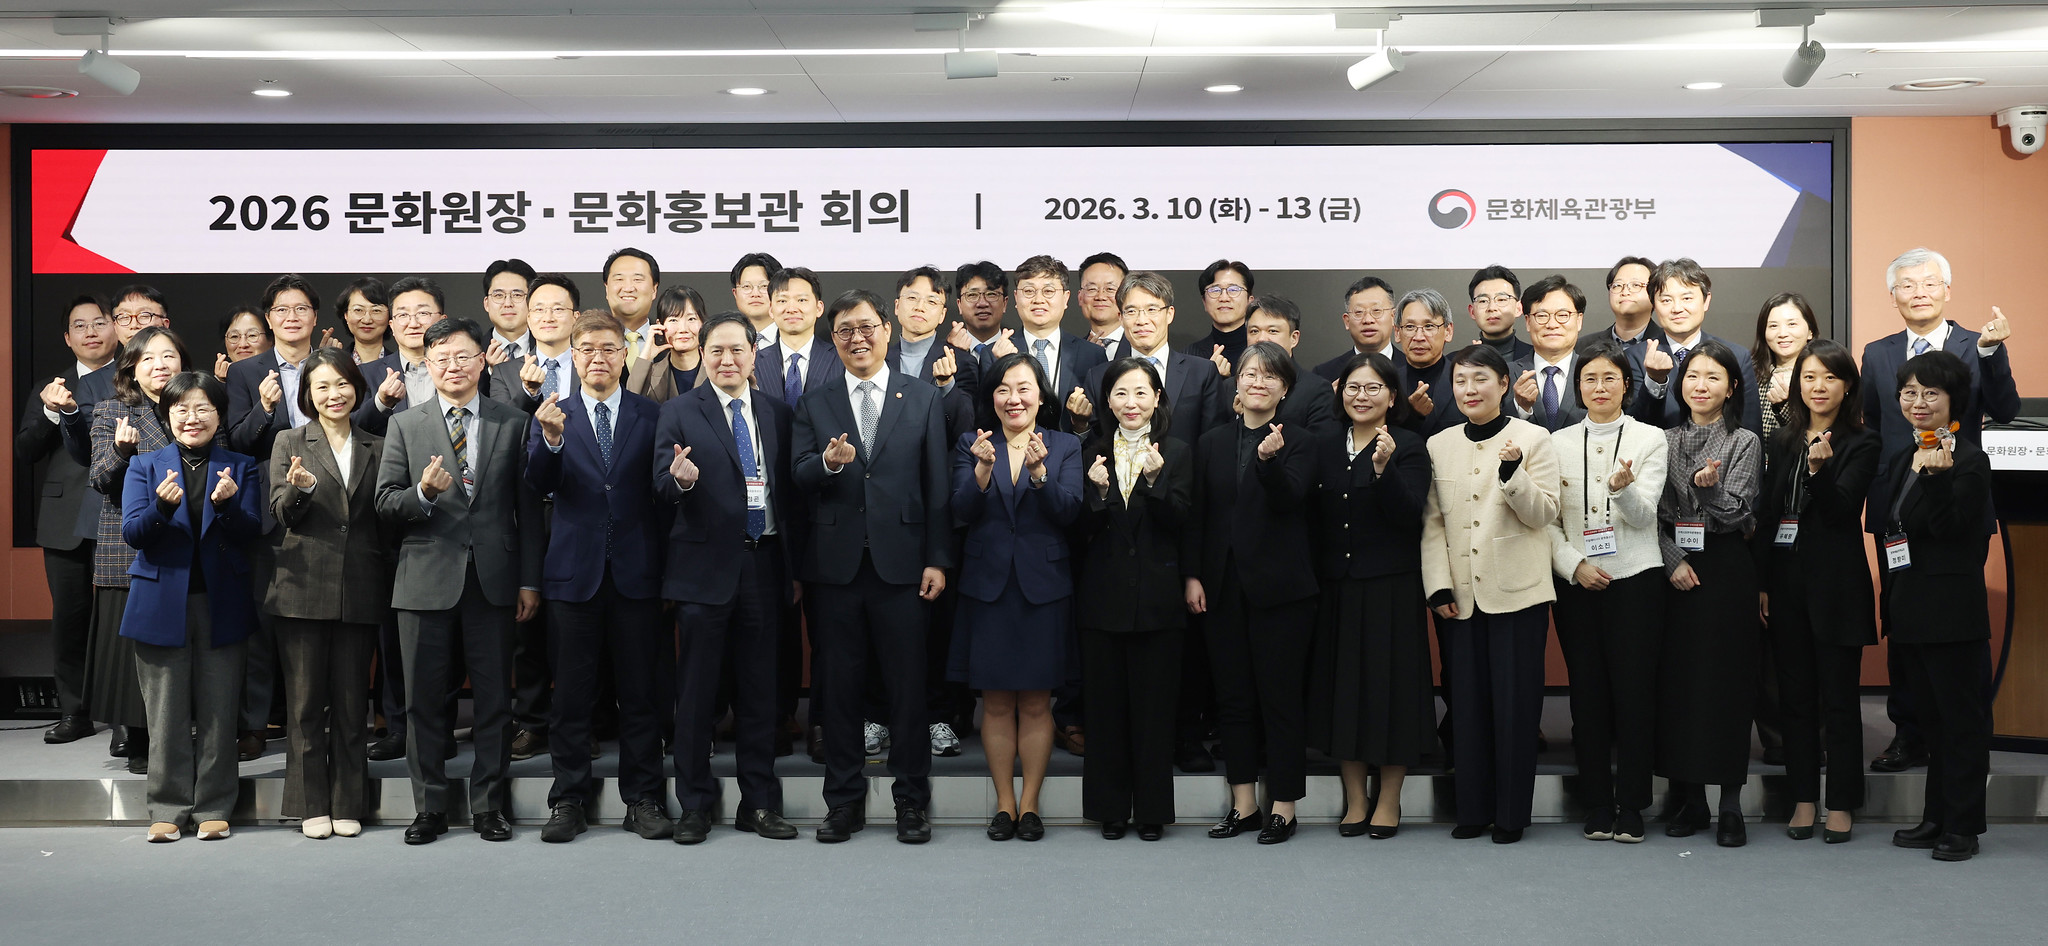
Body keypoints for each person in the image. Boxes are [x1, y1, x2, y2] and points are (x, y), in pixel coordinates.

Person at [792, 289, 954, 844]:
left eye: (865, 327)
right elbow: (799, 475)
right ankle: (843, 802)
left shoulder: (923, 397)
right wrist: (827, 465)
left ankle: (912, 800)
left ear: (887, 330)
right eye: (844, 331)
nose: (856, 339)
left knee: (908, 688)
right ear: (832, 339)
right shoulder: (815, 400)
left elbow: (937, 487)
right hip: (835, 568)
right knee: (838, 690)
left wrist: (937, 558)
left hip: (905, 566)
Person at [375, 317, 544, 845]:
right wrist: (422, 494)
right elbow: (385, 503)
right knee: (424, 701)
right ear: (428, 364)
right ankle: (430, 808)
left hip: (494, 581)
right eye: (442, 357)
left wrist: (530, 581)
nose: (453, 366)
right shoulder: (406, 423)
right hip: (424, 580)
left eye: (464, 356)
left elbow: (529, 512)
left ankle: (490, 805)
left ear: (482, 360)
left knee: (495, 701)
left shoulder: (513, 421)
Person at [1858, 247, 2019, 774]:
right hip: (1897, 510)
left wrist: (1994, 355)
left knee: (1952, 624)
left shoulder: (1978, 344)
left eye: (1929, 283)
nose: (1919, 292)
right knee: (1901, 621)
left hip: (1957, 509)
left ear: (1947, 290)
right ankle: (1908, 733)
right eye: (1907, 285)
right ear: (1893, 296)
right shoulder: (1878, 353)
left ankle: (1957, 732)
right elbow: (1875, 431)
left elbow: (2006, 409)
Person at [527, 311, 672, 844]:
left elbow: (662, 496)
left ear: (624, 354)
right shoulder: (551, 412)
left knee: (641, 695)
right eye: (586, 349)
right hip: (574, 576)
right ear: (573, 353)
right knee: (572, 698)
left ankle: (645, 799)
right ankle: (568, 799)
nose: (598, 359)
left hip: (637, 574)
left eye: (609, 349)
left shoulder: (651, 414)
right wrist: (552, 441)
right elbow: (538, 482)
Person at [657, 312, 801, 844]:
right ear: (704, 352)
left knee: (760, 693)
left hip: (763, 565)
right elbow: (659, 484)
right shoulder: (677, 411)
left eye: (737, 350)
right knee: (695, 694)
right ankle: (695, 804)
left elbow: (790, 497)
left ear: (753, 351)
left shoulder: (778, 412)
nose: (726, 360)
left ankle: (758, 803)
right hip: (703, 572)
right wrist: (680, 481)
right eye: (715, 351)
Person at [1421, 344, 1561, 844]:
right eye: (1460, 381)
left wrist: (1512, 474)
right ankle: (1472, 810)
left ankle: (1510, 816)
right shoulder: (1438, 443)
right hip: (1459, 594)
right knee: (1468, 707)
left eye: (1480, 379)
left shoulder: (1534, 437)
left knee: (1515, 707)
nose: (1469, 390)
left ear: (1504, 385)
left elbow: (1545, 513)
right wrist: (1437, 584)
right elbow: (1433, 524)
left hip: (1517, 594)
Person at [1186, 341, 1317, 844]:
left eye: (1269, 376)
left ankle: (1283, 805)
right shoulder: (1212, 441)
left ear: (1284, 389)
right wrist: (1194, 575)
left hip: (1282, 592)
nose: (1257, 382)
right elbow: (1199, 516)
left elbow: (1290, 499)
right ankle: (1242, 804)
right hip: (1221, 587)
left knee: (1279, 698)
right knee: (1233, 699)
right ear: (1235, 384)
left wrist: (1268, 461)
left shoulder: (1302, 441)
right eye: (1249, 374)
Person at [122, 371, 262, 842]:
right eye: (181, 409)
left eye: (203, 408)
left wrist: (227, 506)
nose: (192, 417)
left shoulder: (241, 466)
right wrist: (160, 510)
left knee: (221, 711)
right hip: (160, 603)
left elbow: (251, 533)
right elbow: (134, 535)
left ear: (219, 414)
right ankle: (167, 806)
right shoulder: (144, 466)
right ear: (167, 415)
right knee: (165, 714)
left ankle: (215, 806)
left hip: (222, 601)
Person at [949, 353, 1082, 840]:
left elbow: (1070, 512)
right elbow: (959, 510)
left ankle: (1031, 805)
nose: (1014, 398)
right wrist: (981, 474)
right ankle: (1004, 803)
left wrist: (1041, 475)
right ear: (992, 398)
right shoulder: (972, 443)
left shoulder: (1064, 445)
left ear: (1041, 396)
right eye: (1003, 389)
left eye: (1023, 388)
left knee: (1037, 703)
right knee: (998, 702)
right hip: (987, 587)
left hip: (1043, 589)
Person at [1545, 339, 1668, 844]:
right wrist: (1573, 566)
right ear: (1579, 387)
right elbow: (1546, 523)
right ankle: (1597, 802)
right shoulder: (1555, 443)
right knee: (1587, 696)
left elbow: (1645, 518)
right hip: (1578, 584)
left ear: (1627, 386)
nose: (1599, 387)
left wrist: (1622, 488)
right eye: (1590, 379)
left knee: (1635, 695)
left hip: (1636, 580)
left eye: (1610, 379)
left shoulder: (1650, 439)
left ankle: (1634, 803)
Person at [1752, 339, 1875, 844]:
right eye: (1809, 377)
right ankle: (1804, 798)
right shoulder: (1781, 439)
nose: (1818, 387)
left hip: (1836, 586)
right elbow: (1767, 516)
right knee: (1795, 700)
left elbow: (1845, 512)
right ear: (1796, 384)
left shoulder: (1863, 442)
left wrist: (1820, 474)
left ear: (1846, 386)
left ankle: (1842, 801)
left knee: (1840, 702)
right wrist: (1761, 582)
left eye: (1828, 378)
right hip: (1785, 584)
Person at [1309, 352, 1433, 838]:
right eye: (1354, 388)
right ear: (1341, 393)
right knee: (1345, 693)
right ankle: (1356, 799)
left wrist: (1384, 471)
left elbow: (1409, 516)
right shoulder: (1322, 444)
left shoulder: (1408, 445)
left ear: (1392, 396)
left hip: (1391, 589)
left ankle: (1389, 799)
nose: (1362, 396)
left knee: (1391, 693)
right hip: (1336, 588)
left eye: (1373, 388)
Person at [265, 348, 386, 840]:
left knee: (353, 702)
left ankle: (347, 802)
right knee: (305, 706)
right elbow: (280, 511)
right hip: (301, 589)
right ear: (307, 395)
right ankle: (310, 803)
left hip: (361, 587)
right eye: (322, 387)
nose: (333, 395)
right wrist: (302, 489)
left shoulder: (379, 443)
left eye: (342, 385)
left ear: (356, 388)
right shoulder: (288, 440)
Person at [1879, 351, 1994, 862]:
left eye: (1931, 393)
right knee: (1930, 721)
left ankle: (1963, 826)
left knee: (1961, 723)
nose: (1918, 402)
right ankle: (1935, 817)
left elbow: (1951, 531)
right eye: (1910, 393)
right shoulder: (1905, 453)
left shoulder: (1968, 458)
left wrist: (1938, 478)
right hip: (1911, 609)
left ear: (1953, 402)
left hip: (1952, 613)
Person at [1653, 339, 1763, 848]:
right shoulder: (1662, 440)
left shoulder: (1744, 442)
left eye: (1712, 377)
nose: (1701, 385)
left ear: (1731, 386)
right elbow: (1647, 516)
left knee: (1727, 685)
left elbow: (1739, 515)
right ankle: (1690, 798)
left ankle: (1730, 803)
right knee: (1679, 686)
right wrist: (1673, 561)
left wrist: (1710, 489)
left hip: (1726, 570)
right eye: (1693, 376)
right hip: (1676, 567)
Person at [1076, 357, 1192, 840]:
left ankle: (1150, 812)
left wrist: (1155, 482)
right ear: (1107, 400)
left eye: (1142, 393)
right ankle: (1109, 810)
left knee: (1153, 712)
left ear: (1158, 399)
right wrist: (1097, 495)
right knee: (1104, 712)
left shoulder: (1179, 452)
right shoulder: (1089, 452)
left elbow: (1185, 523)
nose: (1132, 403)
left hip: (1159, 601)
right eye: (1121, 393)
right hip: (1101, 600)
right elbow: (1075, 533)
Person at [224, 273, 326, 762]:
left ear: (314, 316)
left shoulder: (331, 365)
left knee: (318, 623)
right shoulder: (245, 374)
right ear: (270, 320)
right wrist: (264, 408)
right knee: (263, 624)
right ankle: (256, 724)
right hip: (266, 512)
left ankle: (316, 718)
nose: (291, 316)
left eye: (300, 308)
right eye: (282, 309)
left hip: (328, 506)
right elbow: (236, 441)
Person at [84, 326, 193, 772]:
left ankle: (179, 732)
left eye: (168, 356)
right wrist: (120, 450)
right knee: (135, 650)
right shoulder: (113, 411)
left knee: (181, 648)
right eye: (148, 358)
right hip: (130, 547)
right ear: (132, 367)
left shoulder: (195, 406)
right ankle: (136, 734)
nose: (161, 366)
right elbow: (100, 479)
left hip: (188, 548)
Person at [887, 265, 978, 757]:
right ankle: (882, 714)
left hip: (938, 504)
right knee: (887, 617)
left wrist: (945, 390)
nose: (919, 306)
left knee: (940, 618)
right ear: (896, 307)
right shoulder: (875, 354)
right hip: (882, 504)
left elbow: (965, 430)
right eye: (910, 298)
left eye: (930, 301)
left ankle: (941, 714)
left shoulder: (960, 360)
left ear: (944, 313)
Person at [20, 294, 118, 745]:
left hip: (118, 511)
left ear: (115, 328)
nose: (92, 332)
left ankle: (126, 721)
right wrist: (48, 411)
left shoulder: (133, 377)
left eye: (100, 322)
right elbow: (26, 451)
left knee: (121, 621)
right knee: (70, 619)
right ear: (68, 337)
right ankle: (74, 712)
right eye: (81, 326)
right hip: (64, 518)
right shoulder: (50, 386)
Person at [1075, 270, 1224, 448]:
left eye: (1152, 310)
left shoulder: (1202, 373)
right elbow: (1094, 446)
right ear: (1120, 318)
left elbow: (1214, 443)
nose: (1142, 320)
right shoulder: (1098, 376)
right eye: (1131, 311)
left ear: (1170, 314)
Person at [1631, 259, 1762, 439]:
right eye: (1666, 300)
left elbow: (1751, 431)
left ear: (1706, 301)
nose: (1677, 308)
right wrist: (1655, 379)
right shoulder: (1635, 357)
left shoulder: (1737, 356)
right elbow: (1636, 429)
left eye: (1687, 298)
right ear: (1654, 304)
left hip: (1722, 464)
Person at [1008, 254, 1107, 434]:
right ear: (1016, 297)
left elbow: (1101, 425)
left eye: (1048, 291)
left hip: (1074, 456)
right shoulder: (998, 353)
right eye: (1029, 291)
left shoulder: (1092, 354)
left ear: (1066, 298)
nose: (1038, 299)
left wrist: (1080, 426)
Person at [1239, 296, 1337, 436]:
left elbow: (1319, 448)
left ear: (1294, 338)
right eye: (1254, 331)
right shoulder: (1232, 387)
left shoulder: (1316, 391)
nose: (1261, 339)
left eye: (1272, 331)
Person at [1507, 275, 1586, 432]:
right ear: (1528, 322)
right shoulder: (1505, 375)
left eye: (1563, 315)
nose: (1552, 324)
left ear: (1579, 321)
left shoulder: (1593, 374)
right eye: (1542, 316)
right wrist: (1521, 408)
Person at [756, 267, 841, 408]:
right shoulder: (753, 363)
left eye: (801, 300)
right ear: (771, 310)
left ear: (819, 308)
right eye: (782, 301)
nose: (791, 308)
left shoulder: (841, 360)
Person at [1749, 293, 1818, 450]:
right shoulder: (1750, 375)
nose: (1782, 333)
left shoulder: (1822, 377)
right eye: (1773, 326)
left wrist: (1784, 407)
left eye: (1792, 324)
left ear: (1810, 331)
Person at [1392, 288, 1463, 437]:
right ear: (1397, 333)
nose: (1419, 337)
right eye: (1410, 327)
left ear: (1448, 331)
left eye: (1429, 326)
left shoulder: (1465, 382)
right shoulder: (1386, 383)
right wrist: (1411, 415)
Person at [625, 286, 707, 404]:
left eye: (692, 319)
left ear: (703, 323)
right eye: (673, 320)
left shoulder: (717, 371)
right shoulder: (649, 374)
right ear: (660, 325)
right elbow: (630, 404)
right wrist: (645, 357)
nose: (683, 329)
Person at [1312, 276, 1400, 382]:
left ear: (1393, 317)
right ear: (1347, 321)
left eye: (1376, 310)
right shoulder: (1324, 374)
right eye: (1358, 312)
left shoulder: (1413, 369)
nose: (1368, 320)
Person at [1595, 256, 1663, 384]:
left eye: (1635, 285)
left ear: (1655, 293)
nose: (1625, 291)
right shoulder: (1585, 346)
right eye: (1617, 285)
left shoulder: (1667, 345)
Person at [1187, 259, 1254, 374]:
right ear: (1204, 302)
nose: (1224, 298)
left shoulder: (1263, 352)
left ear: (1249, 301)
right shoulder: (1190, 356)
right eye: (1215, 290)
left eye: (1233, 289)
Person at [602, 247, 662, 358]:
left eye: (637, 279)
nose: (628, 288)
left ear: (654, 289)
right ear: (607, 289)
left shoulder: (670, 342)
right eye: (619, 279)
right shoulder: (590, 342)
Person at [1467, 265, 1534, 362]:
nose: (1492, 308)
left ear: (1519, 308)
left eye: (1502, 299)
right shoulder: (1455, 363)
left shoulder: (1537, 359)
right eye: (1483, 301)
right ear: (1472, 311)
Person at [482, 258, 537, 360]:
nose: (508, 304)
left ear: (532, 301)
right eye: (498, 295)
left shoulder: (548, 348)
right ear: (486, 304)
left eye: (517, 295)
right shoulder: (473, 350)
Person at [335, 277, 395, 366]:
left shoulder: (400, 365)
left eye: (376, 310)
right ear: (346, 315)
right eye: (358, 310)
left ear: (389, 316)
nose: (367, 320)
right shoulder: (335, 364)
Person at [729, 252, 784, 346]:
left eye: (764, 286)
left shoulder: (792, 339)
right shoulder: (724, 339)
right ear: (735, 294)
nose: (755, 294)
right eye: (746, 286)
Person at [1076, 252, 1129, 349]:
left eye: (1110, 289)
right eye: (1092, 289)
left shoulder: (1141, 347)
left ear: (1126, 296)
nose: (1100, 296)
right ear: (1080, 297)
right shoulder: (1073, 353)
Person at [215, 306, 270, 381]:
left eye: (252, 335)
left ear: (271, 340)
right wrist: (222, 383)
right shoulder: (212, 388)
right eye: (234, 336)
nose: (243, 345)